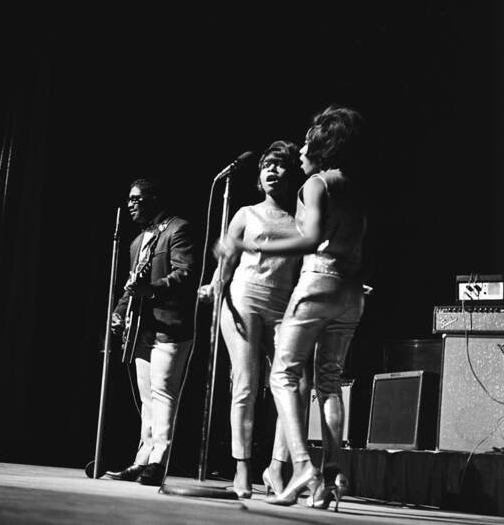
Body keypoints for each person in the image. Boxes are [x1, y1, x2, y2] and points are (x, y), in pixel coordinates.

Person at [224, 106, 367, 510]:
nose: (301, 149)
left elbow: (311, 238)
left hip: (319, 284)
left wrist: (255, 244)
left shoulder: (317, 184)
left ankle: (302, 464)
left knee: (282, 375)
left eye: (307, 141)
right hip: (353, 294)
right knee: (329, 382)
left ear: (322, 145)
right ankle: (333, 474)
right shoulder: (355, 186)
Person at [200, 141, 303, 498]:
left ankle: (275, 467)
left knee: (294, 384)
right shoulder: (246, 212)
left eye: (279, 165)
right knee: (245, 383)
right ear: (260, 176)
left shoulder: (300, 220)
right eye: (267, 166)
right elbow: (226, 257)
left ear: (292, 173)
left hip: (283, 303)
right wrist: (214, 285)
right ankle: (241, 468)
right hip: (244, 296)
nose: (272, 171)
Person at [105, 178, 195, 487]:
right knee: (147, 399)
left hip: (169, 326)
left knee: (163, 393)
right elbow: (132, 285)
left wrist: (150, 290)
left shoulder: (177, 229)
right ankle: (141, 460)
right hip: (141, 330)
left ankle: (158, 461)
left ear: (154, 199)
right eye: (128, 199)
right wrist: (118, 313)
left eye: (137, 199)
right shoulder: (136, 242)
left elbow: (184, 275)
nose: (130, 204)